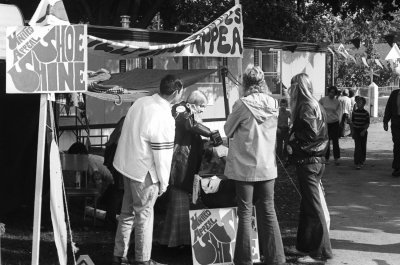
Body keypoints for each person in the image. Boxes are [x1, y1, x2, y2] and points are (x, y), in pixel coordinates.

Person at [112, 75, 184, 265]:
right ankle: (143, 260)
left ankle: (119, 256)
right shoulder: (164, 116)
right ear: (176, 93)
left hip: (127, 166)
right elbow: (163, 155)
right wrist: (164, 182)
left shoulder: (141, 102)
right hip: (144, 172)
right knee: (144, 217)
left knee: (127, 213)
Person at [224, 65, 286, 265]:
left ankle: (244, 260)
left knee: (245, 212)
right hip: (267, 165)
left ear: (245, 83)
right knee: (268, 210)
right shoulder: (273, 103)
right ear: (262, 82)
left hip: (245, 167)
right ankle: (276, 258)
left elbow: (227, 129)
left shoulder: (242, 104)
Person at [159, 90, 221, 248]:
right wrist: (210, 132)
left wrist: (207, 144)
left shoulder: (188, 114)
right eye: (202, 107)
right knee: (179, 206)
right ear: (194, 104)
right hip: (179, 167)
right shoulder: (181, 110)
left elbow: (193, 135)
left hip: (185, 167)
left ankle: (173, 240)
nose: (202, 111)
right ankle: (178, 241)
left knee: (179, 207)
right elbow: (190, 124)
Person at [287, 73, 333, 264]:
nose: (290, 90)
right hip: (315, 160)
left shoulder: (306, 106)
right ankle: (305, 246)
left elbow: (312, 133)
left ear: (298, 87)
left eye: (292, 87)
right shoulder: (315, 104)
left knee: (313, 207)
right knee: (308, 205)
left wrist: (293, 143)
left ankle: (320, 251)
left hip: (309, 162)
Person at [319, 86, 341, 165]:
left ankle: (336, 158)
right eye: (330, 92)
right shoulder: (323, 100)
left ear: (335, 94)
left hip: (334, 122)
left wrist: (338, 119)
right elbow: (318, 108)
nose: (332, 94)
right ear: (328, 92)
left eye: (333, 93)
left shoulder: (337, 102)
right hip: (326, 122)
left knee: (335, 141)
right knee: (326, 140)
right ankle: (326, 158)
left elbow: (339, 112)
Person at [383, 88, 400, 177]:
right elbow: (388, 107)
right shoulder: (394, 94)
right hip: (396, 123)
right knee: (397, 144)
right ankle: (397, 167)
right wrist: (385, 121)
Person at [352, 97, 370, 170]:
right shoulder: (354, 112)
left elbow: (367, 123)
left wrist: (364, 130)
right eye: (357, 102)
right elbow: (352, 122)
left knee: (362, 146)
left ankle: (362, 160)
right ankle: (357, 162)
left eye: (360, 103)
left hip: (363, 131)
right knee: (357, 146)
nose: (358, 104)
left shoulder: (366, 113)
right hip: (356, 130)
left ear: (363, 104)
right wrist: (352, 131)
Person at [276, 98, 291, 163]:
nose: (283, 107)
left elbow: (292, 119)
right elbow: (273, 120)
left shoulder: (288, 112)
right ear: (280, 105)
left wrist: (290, 126)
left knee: (286, 144)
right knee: (279, 145)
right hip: (279, 129)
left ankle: (285, 157)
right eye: (282, 105)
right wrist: (276, 128)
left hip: (286, 129)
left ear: (286, 106)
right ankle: (279, 158)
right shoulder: (277, 112)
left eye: (284, 105)